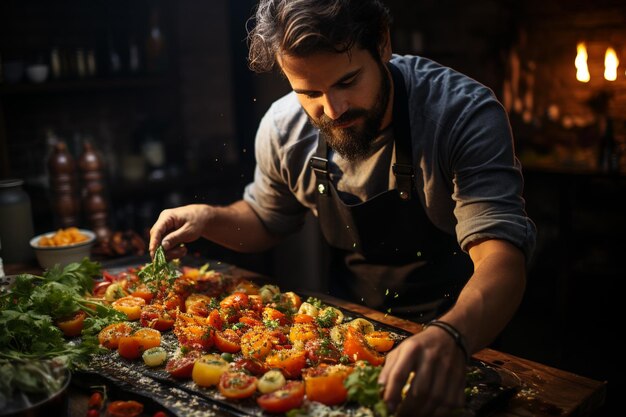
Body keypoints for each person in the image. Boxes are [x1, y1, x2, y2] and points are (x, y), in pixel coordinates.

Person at [149, 0, 536, 415]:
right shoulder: (283, 129)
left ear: (383, 44)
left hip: (467, 336)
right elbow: (264, 220)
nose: (333, 110)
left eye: (348, 81)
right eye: (309, 93)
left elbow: (502, 258)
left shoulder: (460, 114)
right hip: (345, 338)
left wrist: (452, 337)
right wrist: (208, 218)